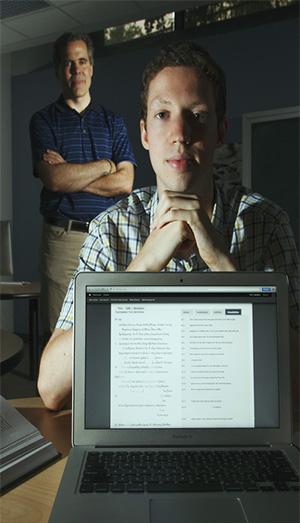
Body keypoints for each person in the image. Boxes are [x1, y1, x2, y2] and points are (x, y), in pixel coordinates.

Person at [37, 41, 299, 412]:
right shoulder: (109, 230)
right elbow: (52, 388)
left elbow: (297, 390)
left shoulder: (266, 223)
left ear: (220, 132)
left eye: (198, 115)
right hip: (139, 426)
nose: (180, 133)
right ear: (144, 134)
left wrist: (225, 266)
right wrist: (140, 268)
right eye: (163, 115)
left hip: (234, 427)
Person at [30, 32, 136, 338]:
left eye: (82, 61)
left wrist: (70, 176)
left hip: (107, 237)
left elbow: (126, 182)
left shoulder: (112, 122)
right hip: (63, 240)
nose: (76, 69)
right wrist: (105, 166)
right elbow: (54, 179)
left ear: (91, 66)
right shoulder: (43, 121)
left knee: (109, 333)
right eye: (68, 63)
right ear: (57, 70)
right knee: (62, 337)